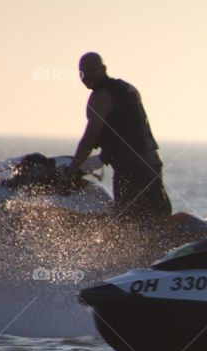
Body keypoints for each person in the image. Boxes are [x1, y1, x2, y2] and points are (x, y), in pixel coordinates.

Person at [66, 52, 172, 224]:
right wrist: (102, 156)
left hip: (132, 167)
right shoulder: (128, 88)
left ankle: (149, 248)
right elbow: (128, 128)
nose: (87, 76)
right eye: (82, 72)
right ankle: (166, 246)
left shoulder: (99, 96)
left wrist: (72, 170)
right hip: (151, 161)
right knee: (157, 214)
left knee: (129, 220)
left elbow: (89, 138)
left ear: (103, 69)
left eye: (92, 70)